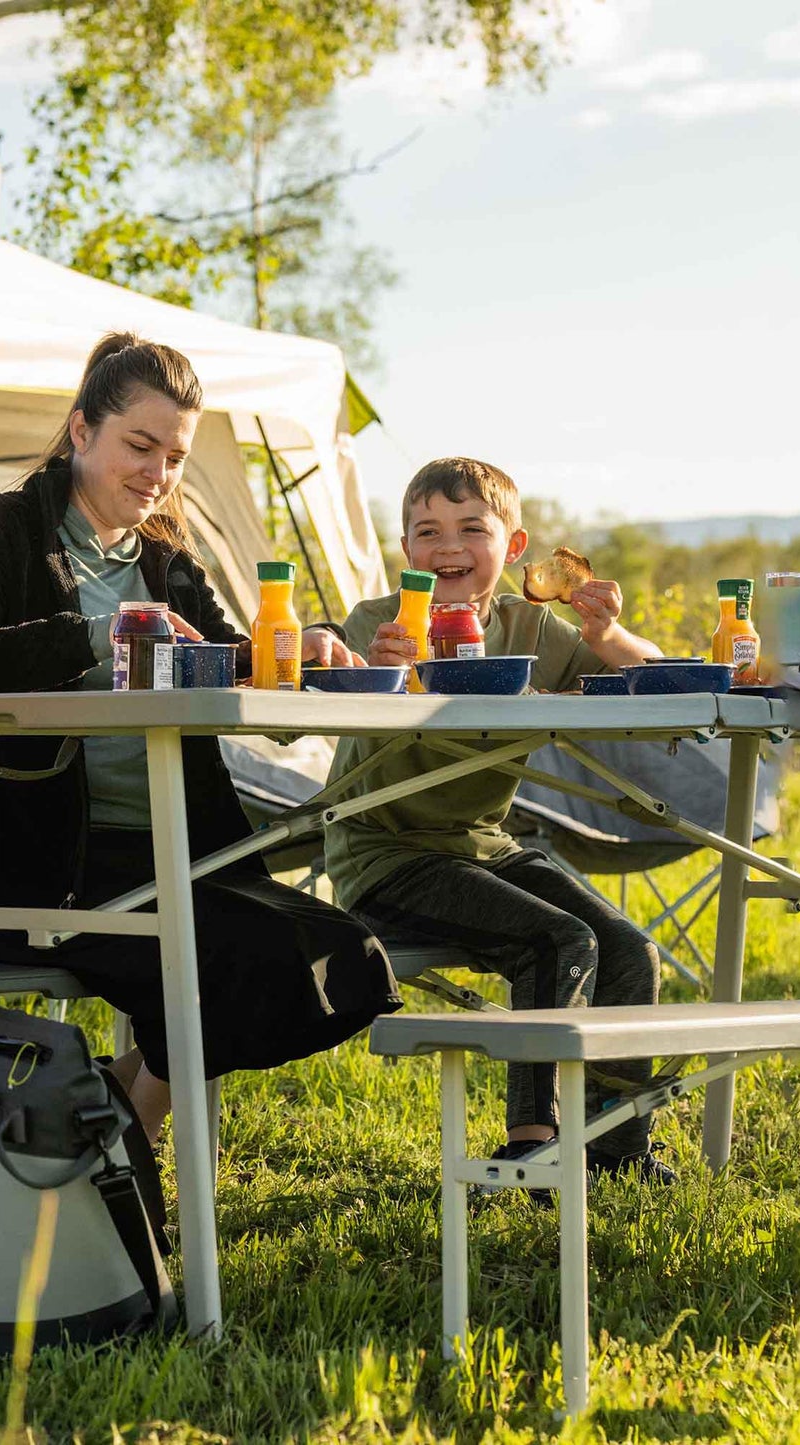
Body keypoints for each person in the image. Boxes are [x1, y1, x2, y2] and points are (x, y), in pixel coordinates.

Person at [0, 332, 401, 1141]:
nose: (158, 474)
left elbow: (224, 660)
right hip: (38, 863)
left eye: (174, 456)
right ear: (79, 432)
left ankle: (101, 1129)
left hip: (178, 852)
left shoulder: (167, 558)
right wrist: (97, 634)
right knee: (231, 963)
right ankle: (113, 1151)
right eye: (140, 446)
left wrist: (295, 650)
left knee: (346, 956)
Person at [324, 456, 674, 1183]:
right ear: (406, 549)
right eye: (427, 530)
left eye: (470, 528)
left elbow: (647, 675)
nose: (447, 545)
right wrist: (377, 666)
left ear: (512, 548)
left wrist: (608, 633)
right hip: (384, 853)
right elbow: (324, 663)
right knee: (558, 941)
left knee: (629, 950)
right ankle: (530, 1141)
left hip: (485, 848)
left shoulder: (532, 628)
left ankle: (615, 1146)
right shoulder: (384, 621)